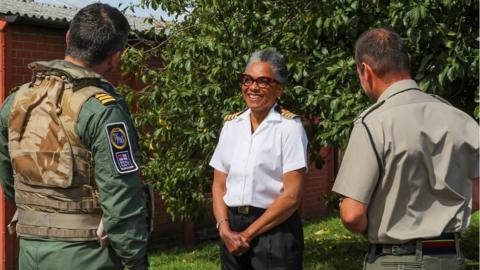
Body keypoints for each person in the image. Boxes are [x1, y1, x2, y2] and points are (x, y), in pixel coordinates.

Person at [0, 3, 149, 270]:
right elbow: (119, 198)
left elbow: (8, 176)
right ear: (115, 57)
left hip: (30, 252)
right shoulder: (102, 110)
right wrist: (136, 260)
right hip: (87, 255)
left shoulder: (15, 101)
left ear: (68, 37)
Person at [332, 28, 479, 270]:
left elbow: (352, 214)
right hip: (451, 258)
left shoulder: (373, 123)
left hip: (394, 258)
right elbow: (477, 193)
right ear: (406, 63)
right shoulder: (460, 119)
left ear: (366, 71)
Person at [210, 49, 308, 270]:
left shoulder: (290, 128)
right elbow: (219, 185)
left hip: (274, 230)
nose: (253, 87)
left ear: (279, 89)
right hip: (232, 229)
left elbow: (292, 195)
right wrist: (224, 228)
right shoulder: (231, 126)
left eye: (263, 81)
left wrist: (248, 234)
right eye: (248, 80)